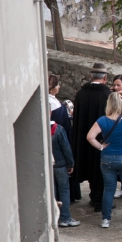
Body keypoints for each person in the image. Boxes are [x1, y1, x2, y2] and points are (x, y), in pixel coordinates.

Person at [86, 92, 122, 228]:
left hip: (108, 157)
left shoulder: (102, 120)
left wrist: (100, 147)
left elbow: (90, 137)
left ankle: (106, 219)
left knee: (109, 189)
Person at [71, 62, 112, 212]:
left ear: (90, 76)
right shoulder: (107, 95)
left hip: (84, 139)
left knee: (88, 165)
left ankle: (93, 196)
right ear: (105, 78)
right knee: (101, 169)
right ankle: (99, 200)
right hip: (102, 139)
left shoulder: (80, 94)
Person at [48, 73, 80, 202]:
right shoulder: (53, 105)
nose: (59, 87)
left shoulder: (53, 101)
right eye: (57, 85)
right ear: (52, 88)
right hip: (60, 145)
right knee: (62, 185)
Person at [51, 120, 79, 227]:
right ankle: (65, 218)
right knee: (64, 191)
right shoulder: (58, 129)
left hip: (47, 166)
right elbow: (66, 148)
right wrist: (70, 163)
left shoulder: (39, 128)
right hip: (61, 165)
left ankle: (53, 218)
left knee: (51, 191)